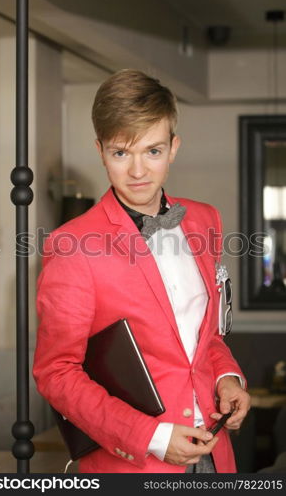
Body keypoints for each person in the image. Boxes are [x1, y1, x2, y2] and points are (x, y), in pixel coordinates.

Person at [33, 69, 251, 473]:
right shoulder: (71, 245)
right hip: (134, 464)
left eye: (152, 151)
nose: (137, 172)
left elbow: (206, 336)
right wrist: (153, 437)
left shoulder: (205, 220)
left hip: (216, 455)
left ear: (173, 148)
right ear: (100, 150)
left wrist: (227, 378)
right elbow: (56, 373)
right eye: (120, 153)